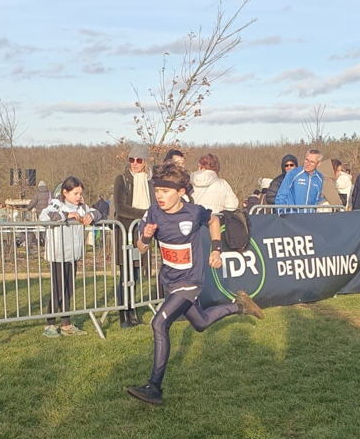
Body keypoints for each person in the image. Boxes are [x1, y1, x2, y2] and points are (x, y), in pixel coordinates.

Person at [126, 163, 263, 406]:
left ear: (180, 192)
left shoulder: (193, 212)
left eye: (165, 191)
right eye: (157, 191)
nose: (159, 196)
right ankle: (240, 306)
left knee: (159, 323)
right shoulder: (153, 213)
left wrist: (216, 250)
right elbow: (141, 248)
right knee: (201, 323)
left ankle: (154, 388)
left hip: (190, 281)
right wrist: (146, 236)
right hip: (170, 280)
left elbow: (212, 221)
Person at [39, 176, 100, 336]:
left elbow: (99, 212)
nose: (79, 196)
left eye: (80, 193)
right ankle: (49, 325)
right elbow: (44, 217)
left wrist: (91, 216)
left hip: (73, 255)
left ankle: (66, 324)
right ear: (65, 192)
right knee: (58, 290)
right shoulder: (56, 204)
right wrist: (66, 216)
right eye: (75, 193)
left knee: (68, 290)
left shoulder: (82, 207)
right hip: (58, 254)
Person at [112, 145, 153, 328]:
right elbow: (120, 208)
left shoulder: (150, 181)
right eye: (131, 160)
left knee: (135, 275)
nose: (135, 164)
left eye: (139, 160)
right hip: (124, 233)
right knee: (125, 276)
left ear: (145, 162)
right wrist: (144, 213)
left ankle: (133, 312)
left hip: (141, 233)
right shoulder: (121, 179)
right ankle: (124, 315)